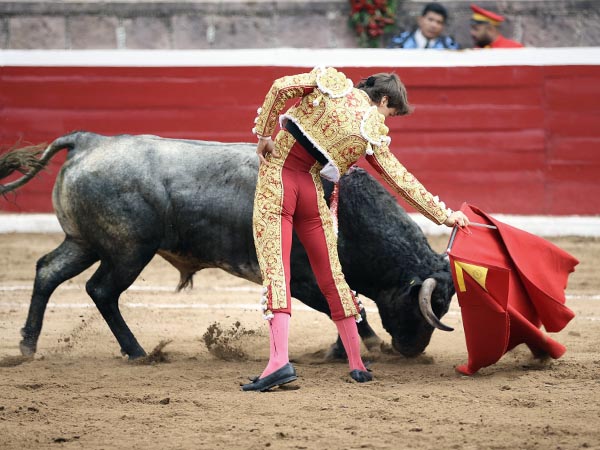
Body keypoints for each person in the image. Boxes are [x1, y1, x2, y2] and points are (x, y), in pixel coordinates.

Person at [243, 66, 469, 392]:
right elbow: (401, 180)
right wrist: (445, 216)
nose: (388, 120)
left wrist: (264, 133)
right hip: (312, 192)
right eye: (391, 112)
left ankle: (278, 363)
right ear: (384, 99)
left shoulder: (330, 84)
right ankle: (357, 364)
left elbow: (280, 87)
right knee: (333, 276)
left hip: (278, 179)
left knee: (277, 271)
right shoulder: (371, 129)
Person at [387, 2, 459, 50]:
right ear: (420, 20)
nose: (434, 25)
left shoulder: (450, 47)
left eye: (439, 22)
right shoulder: (400, 42)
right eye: (430, 20)